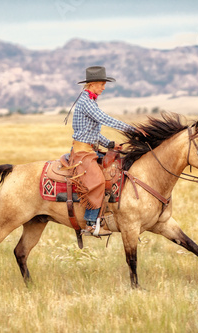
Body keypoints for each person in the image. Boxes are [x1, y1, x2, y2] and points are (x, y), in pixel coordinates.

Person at [67, 66, 137, 236]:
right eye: (101, 84)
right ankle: (90, 224)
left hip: (91, 149)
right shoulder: (86, 102)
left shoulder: (91, 101)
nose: (104, 88)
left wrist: (110, 144)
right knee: (97, 180)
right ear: (91, 84)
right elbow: (104, 118)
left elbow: (93, 133)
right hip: (83, 152)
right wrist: (131, 130)